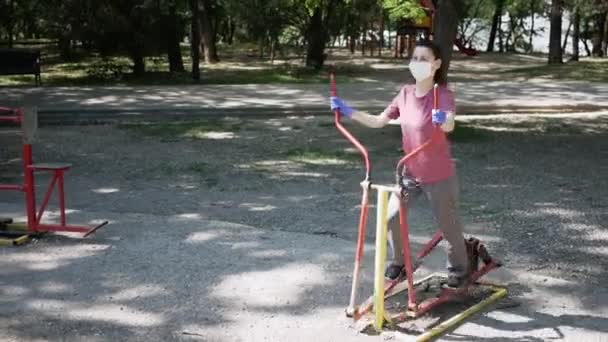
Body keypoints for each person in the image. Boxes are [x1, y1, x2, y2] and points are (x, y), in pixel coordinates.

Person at [330, 40, 469, 287]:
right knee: (391, 218)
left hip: (438, 175)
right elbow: (378, 121)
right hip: (409, 172)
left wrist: (442, 119)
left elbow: (449, 123)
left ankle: (459, 272)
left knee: (448, 227)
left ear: (436, 64)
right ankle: (401, 262)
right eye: (414, 58)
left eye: (424, 59)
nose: (417, 63)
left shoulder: (442, 94)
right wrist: (348, 111)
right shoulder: (405, 94)